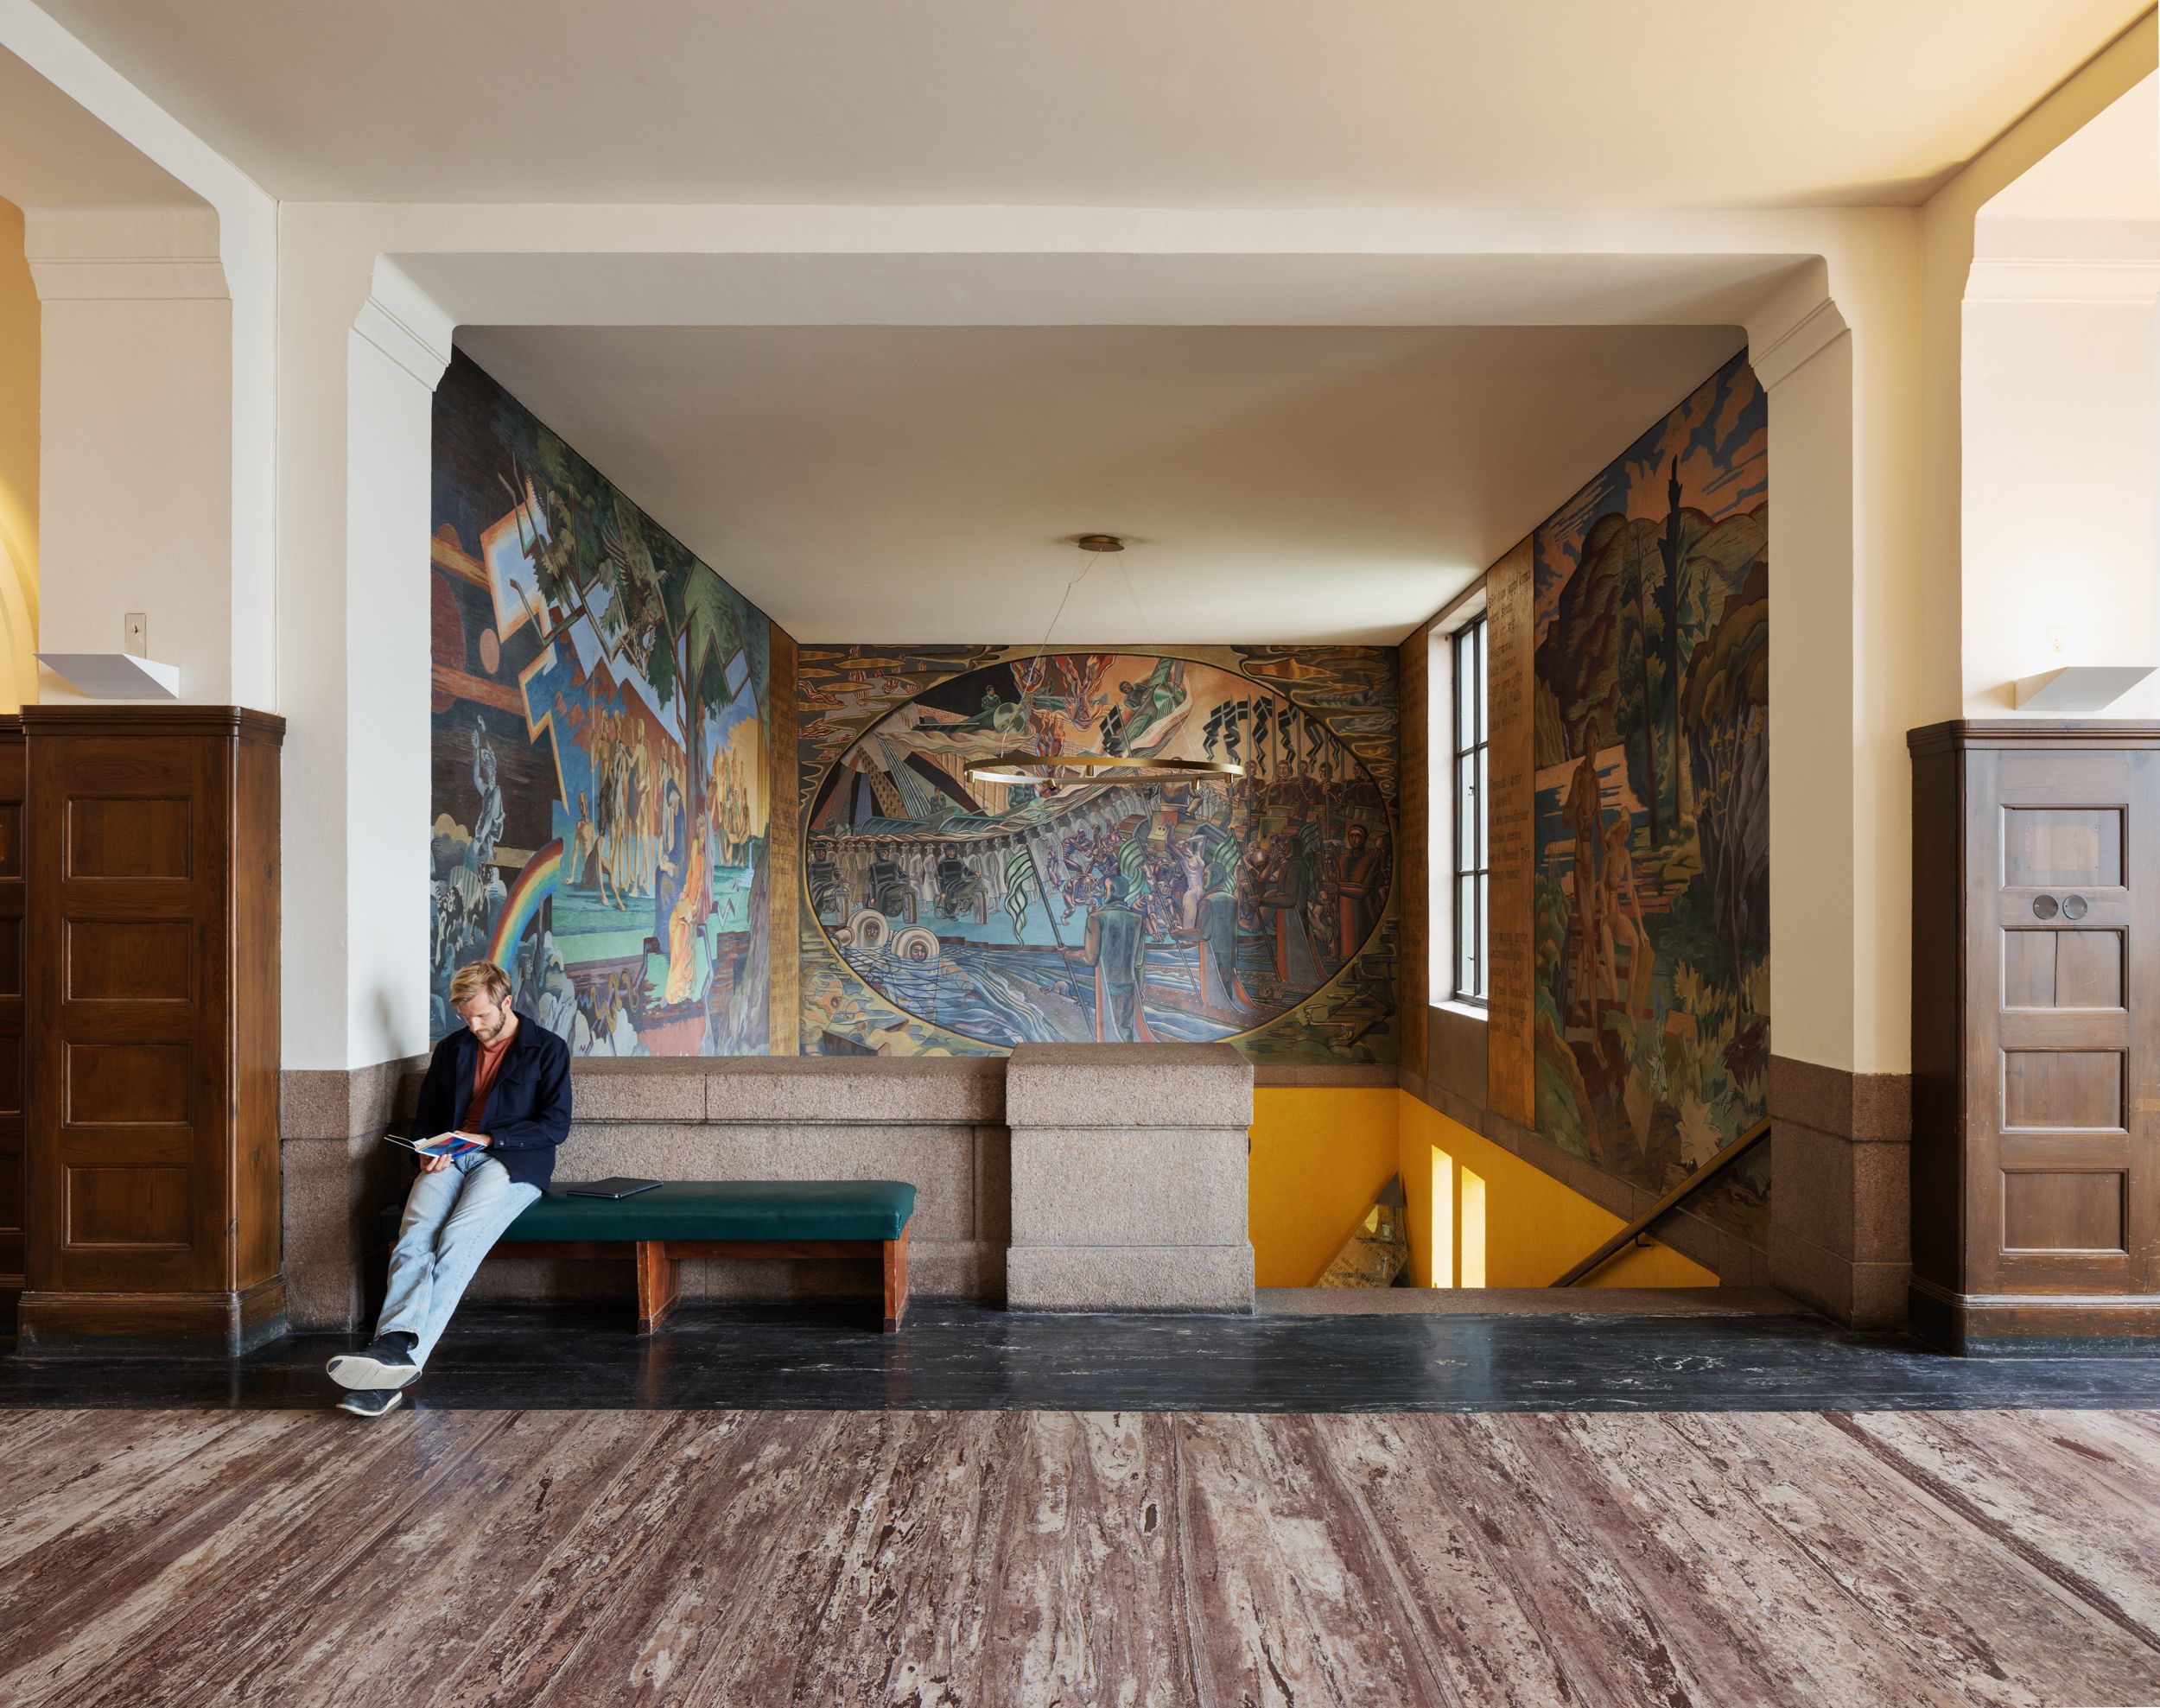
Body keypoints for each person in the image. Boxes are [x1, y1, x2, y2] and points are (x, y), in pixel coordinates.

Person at [327, 960, 572, 1419]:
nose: (474, 1026)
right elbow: (427, 1117)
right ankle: (392, 1355)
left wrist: (489, 1138)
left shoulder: (548, 1049)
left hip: (511, 1162)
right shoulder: (453, 1050)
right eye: (466, 1017)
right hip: (451, 1157)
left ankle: (395, 1360)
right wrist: (428, 1147)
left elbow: (555, 1127)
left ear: (507, 1001)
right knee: (416, 1233)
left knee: (457, 1238)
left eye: (482, 1015)